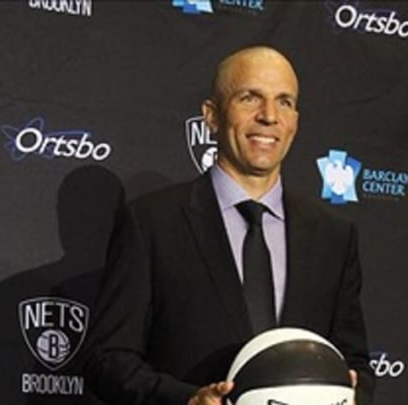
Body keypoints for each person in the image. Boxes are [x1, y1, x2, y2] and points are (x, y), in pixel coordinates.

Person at [84, 45, 374, 405]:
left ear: (295, 121)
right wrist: (186, 400)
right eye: (250, 98)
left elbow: (356, 363)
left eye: (284, 102)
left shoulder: (334, 236)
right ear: (212, 116)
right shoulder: (151, 223)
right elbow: (107, 359)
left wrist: (350, 390)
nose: (269, 116)